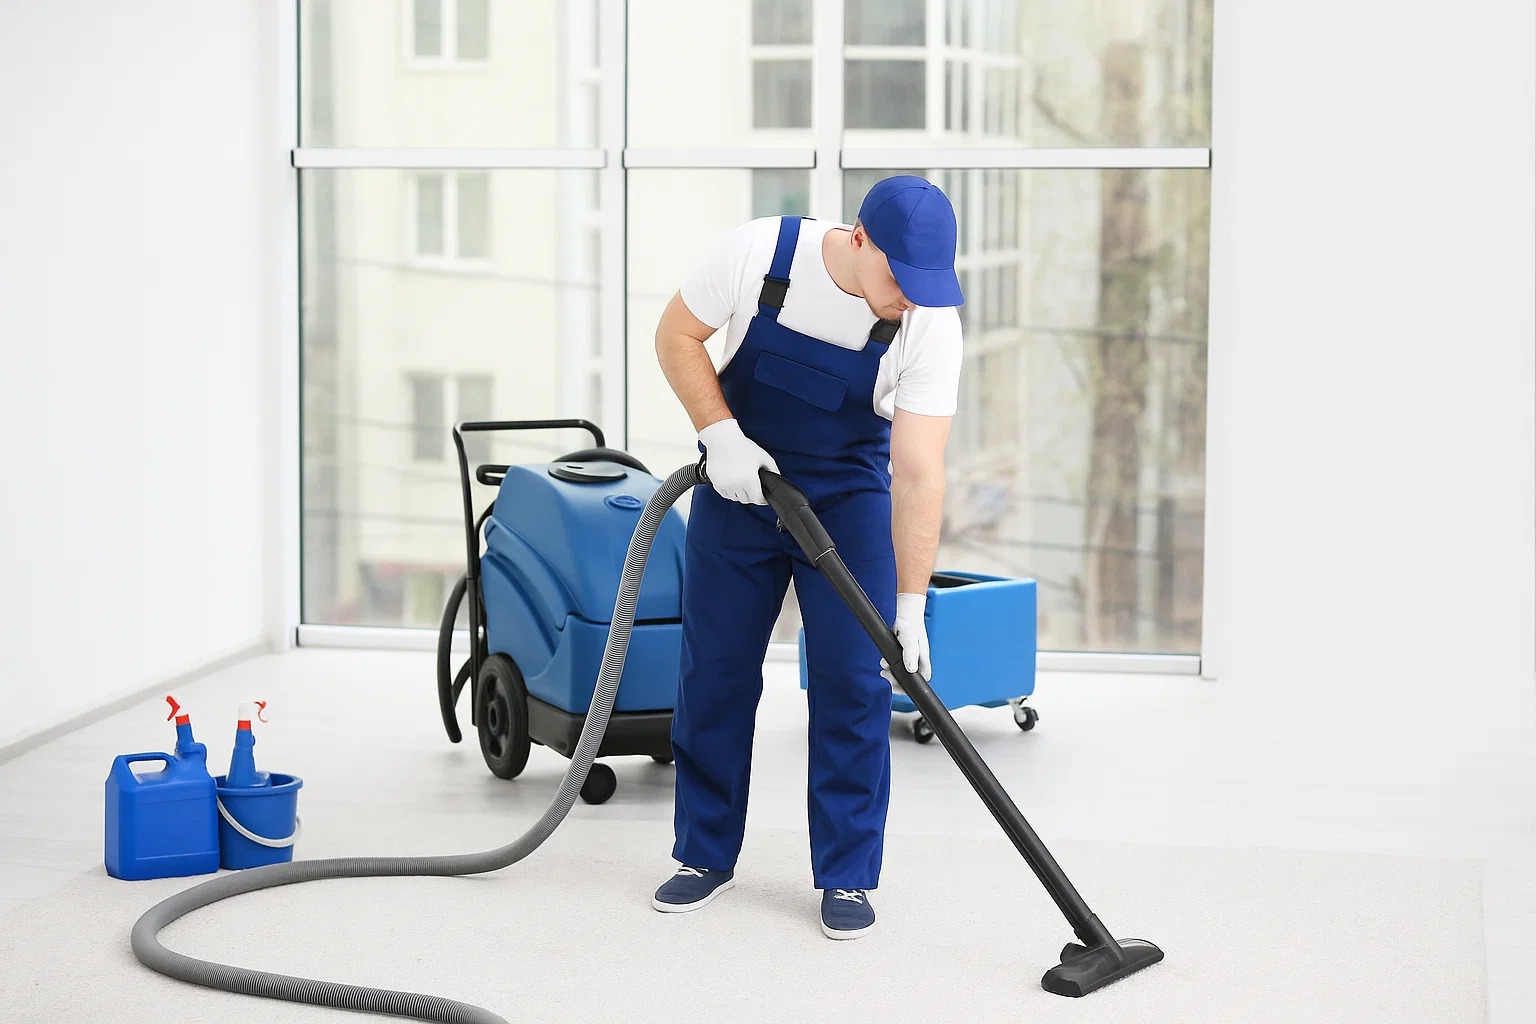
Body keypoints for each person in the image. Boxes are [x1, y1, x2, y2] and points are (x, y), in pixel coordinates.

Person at [650, 176, 965, 939]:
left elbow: (918, 469)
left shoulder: (929, 323)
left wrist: (913, 605)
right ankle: (704, 855)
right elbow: (676, 336)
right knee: (715, 672)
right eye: (900, 278)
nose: (912, 299)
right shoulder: (761, 253)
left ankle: (849, 876)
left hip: (848, 499)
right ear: (859, 239)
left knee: (852, 683)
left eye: (928, 285)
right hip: (738, 480)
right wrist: (719, 435)